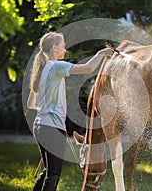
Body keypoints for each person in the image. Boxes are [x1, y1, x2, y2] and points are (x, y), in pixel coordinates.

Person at [27, 31, 114, 191]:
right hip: (52, 129)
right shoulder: (56, 66)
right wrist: (101, 54)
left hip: (39, 126)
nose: (65, 49)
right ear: (54, 47)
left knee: (48, 172)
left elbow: (31, 104)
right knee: (53, 175)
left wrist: (48, 109)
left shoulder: (41, 70)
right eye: (63, 46)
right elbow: (88, 68)